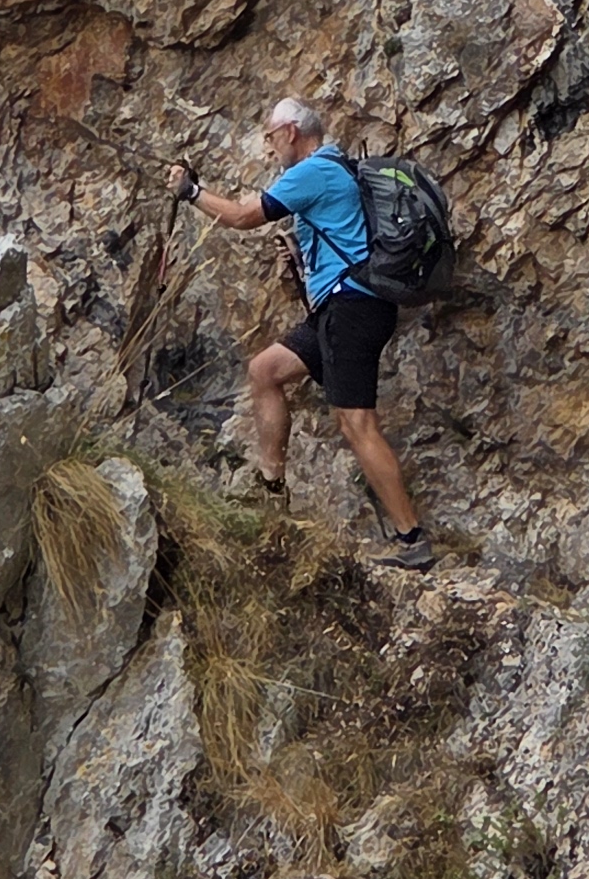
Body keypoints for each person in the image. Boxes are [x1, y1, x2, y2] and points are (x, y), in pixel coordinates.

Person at [168, 97, 434, 572]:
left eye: (271, 137)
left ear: (291, 132)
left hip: (352, 309)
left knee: (357, 424)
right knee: (265, 370)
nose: (270, 147)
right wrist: (300, 254)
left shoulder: (314, 170)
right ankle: (272, 487)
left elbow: (242, 216)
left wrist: (191, 192)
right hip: (342, 309)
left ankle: (411, 538)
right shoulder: (334, 169)